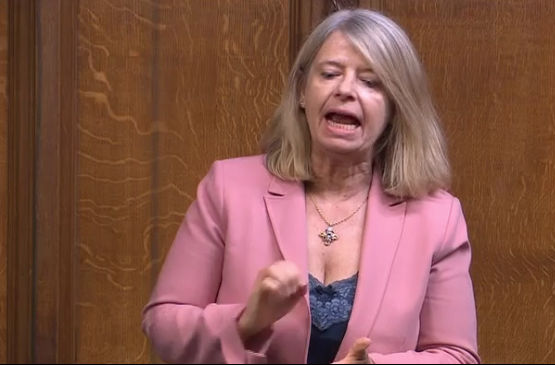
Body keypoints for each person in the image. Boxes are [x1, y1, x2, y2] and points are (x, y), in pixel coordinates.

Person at [141, 8, 480, 364]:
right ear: (303, 92)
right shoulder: (228, 188)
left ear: (395, 107)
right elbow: (162, 325)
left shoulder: (437, 218)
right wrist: (247, 320)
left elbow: (457, 356)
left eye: (370, 81)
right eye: (330, 73)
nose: (345, 90)